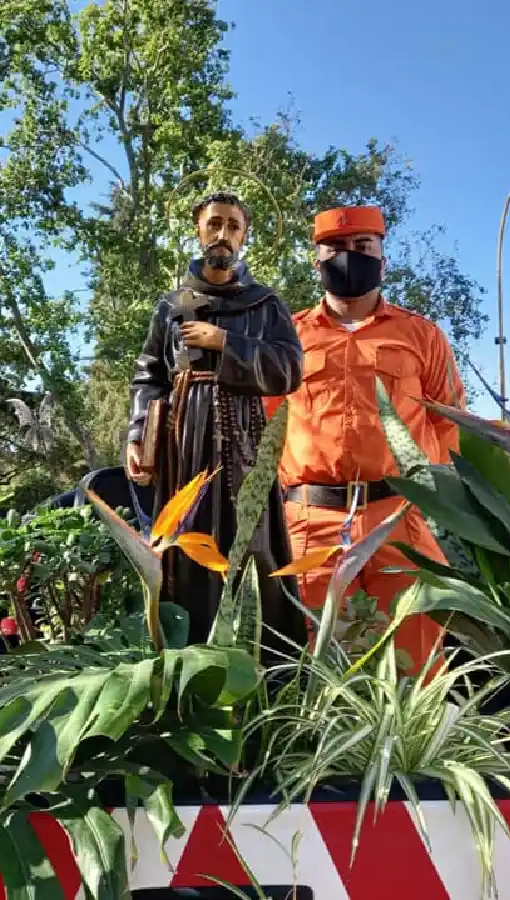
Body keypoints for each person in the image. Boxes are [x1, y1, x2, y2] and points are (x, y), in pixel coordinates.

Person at [265, 204, 468, 674]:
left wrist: (433, 500)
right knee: (316, 668)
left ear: (382, 259)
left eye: (362, 246)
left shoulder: (421, 335)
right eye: (335, 247)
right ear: (317, 260)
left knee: (417, 660)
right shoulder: (288, 337)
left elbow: (449, 422)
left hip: (400, 518)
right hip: (311, 521)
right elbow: (265, 424)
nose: (348, 255)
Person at [126, 190, 307, 657]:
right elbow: (149, 375)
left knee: (251, 543)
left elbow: (289, 369)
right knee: (185, 542)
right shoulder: (171, 306)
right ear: (198, 229)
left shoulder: (265, 304)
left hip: (245, 440)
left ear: (244, 237)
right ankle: (185, 663)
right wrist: (138, 434)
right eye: (214, 223)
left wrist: (224, 341)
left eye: (233, 226)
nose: (223, 233)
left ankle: (262, 665)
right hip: (183, 440)